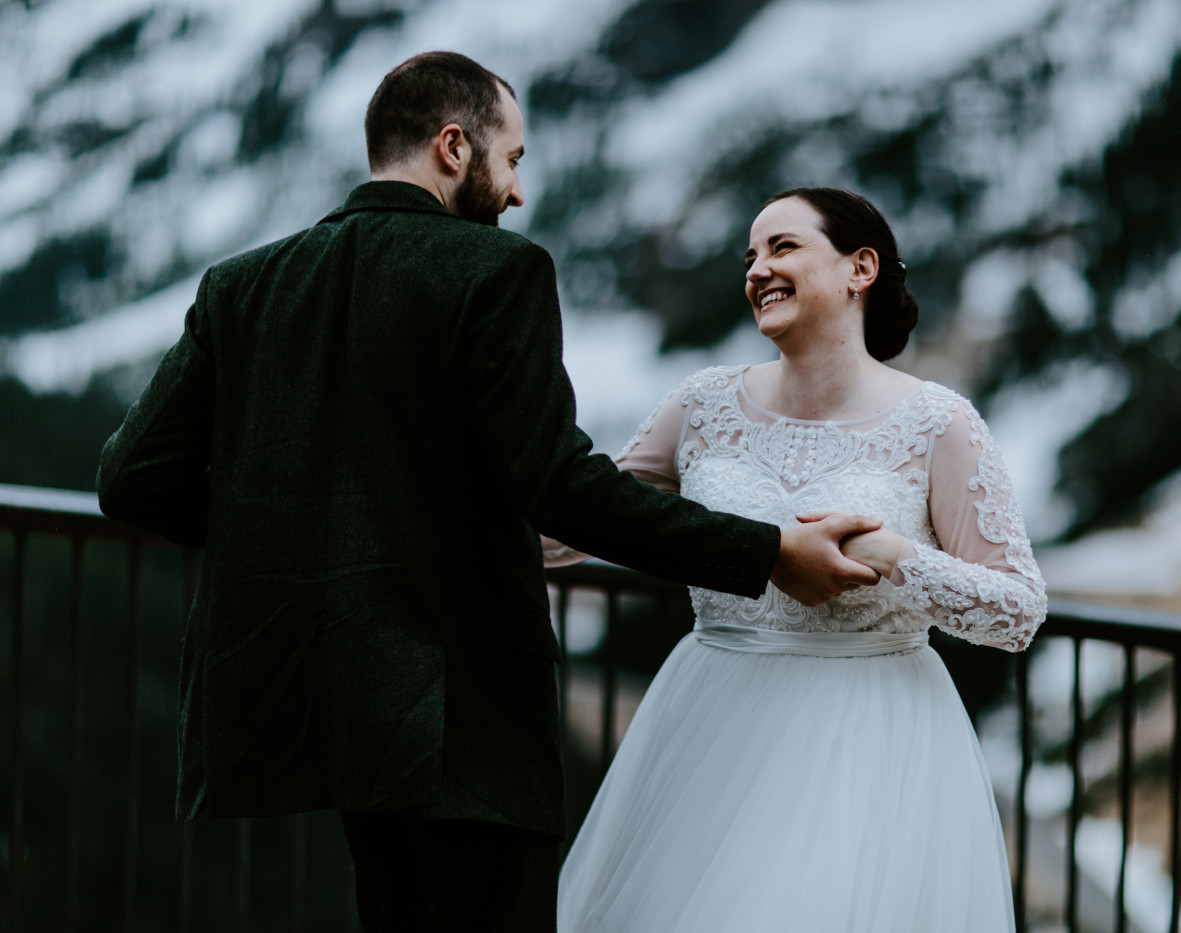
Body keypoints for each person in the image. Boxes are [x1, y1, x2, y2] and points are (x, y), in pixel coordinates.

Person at [95, 54, 881, 933]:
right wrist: (770, 552)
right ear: (453, 146)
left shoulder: (244, 284)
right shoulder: (495, 271)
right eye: (512, 160)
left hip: (339, 713)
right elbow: (561, 484)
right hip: (466, 715)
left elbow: (132, 480)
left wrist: (289, 522)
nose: (515, 193)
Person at [552, 187, 1047, 932]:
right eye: (750, 256)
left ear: (861, 268)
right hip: (710, 729)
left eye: (782, 247)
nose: (757, 269)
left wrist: (891, 555)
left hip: (871, 744)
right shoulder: (702, 404)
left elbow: (1017, 610)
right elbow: (577, 522)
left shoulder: (938, 423)